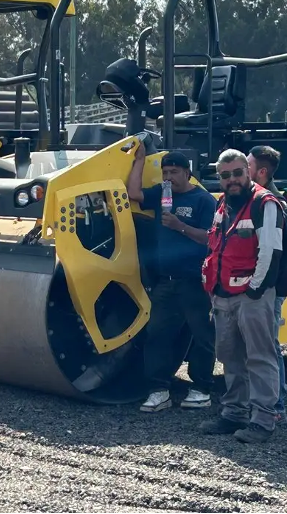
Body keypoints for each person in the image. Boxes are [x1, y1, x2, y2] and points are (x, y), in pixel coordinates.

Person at [200, 148, 284, 443]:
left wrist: (254, 291)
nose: (232, 179)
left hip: (252, 296)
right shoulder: (223, 203)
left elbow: (270, 252)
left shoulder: (265, 203)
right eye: (226, 176)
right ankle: (234, 413)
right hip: (223, 295)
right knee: (229, 356)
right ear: (219, 178)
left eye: (237, 173)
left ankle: (263, 420)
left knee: (259, 358)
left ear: (249, 173)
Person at [126, 145, 218, 413]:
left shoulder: (204, 201)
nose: (169, 177)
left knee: (201, 335)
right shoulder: (162, 194)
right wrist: (140, 161)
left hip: (194, 281)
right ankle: (158, 390)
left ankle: (201, 388)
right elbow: (134, 194)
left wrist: (180, 226)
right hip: (165, 281)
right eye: (165, 171)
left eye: (174, 172)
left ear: (187, 173)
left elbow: (212, 239)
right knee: (157, 334)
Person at [247, 145, 287, 425]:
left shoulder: (271, 203)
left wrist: (256, 286)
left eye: (245, 167)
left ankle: (277, 406)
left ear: (261, 172)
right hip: (263, 286)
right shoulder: (258, 198)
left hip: (268, 288)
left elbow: (270, 253)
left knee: (268, 346)